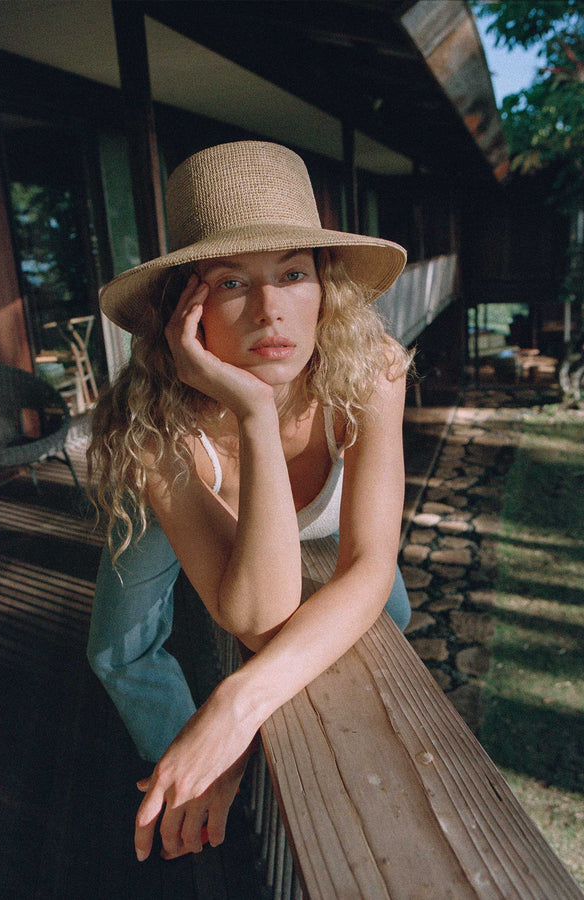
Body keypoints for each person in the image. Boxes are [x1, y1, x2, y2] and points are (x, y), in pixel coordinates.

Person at [87, 140, 412, 863]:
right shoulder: (154, 433)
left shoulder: (373, 371)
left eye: (292, 274)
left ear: (325, 286)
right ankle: (200, 774)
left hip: (330, 578)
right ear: (186, 311)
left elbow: (368, 567)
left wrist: (234, 704)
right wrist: (254, 412)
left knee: (386, 608)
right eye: (232, 283)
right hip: (179, 480)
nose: (270, 310)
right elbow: (258, 617)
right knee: (115, 648)